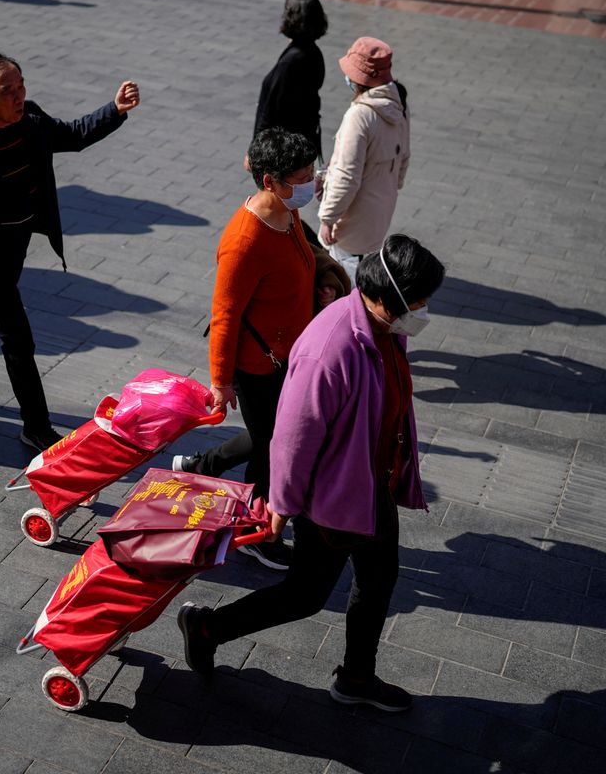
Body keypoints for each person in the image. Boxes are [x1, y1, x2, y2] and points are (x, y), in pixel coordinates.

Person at [177, 233, 445, 713]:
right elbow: (293, 436)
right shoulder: (330, 347)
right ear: (385, 295)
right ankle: (207, 628)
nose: (423, 311)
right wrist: (282, 503)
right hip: (335, 497)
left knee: (374, 578)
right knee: (306, 595)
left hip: (369, 483)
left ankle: (356, 677)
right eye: (418, 301)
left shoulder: (384, 328)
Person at [0, 53, 140, 451]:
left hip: (13, 243)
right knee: (17, 338)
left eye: (21, 86)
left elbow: (71, 135)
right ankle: (36, 426)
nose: (19, 96)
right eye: (7, 91)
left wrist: (114, 110)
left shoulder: (30, 119)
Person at [180, 128, 319, 570]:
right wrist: (220, 381)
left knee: (273, 436)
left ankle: (203, 463)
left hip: (290, 354)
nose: (309, 183)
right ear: (269, 182)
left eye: (311, 172)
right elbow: (224, 316)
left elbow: (304, 256)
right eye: (300, 178)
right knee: (273, 447)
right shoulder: (244, 242)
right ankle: (256, 531)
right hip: (258, 365)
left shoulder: (287, 213)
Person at [318, 37, 410, 281]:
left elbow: (347, 176)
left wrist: (328, 217)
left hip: (352, 218)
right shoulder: (398, 105)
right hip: (381, 207)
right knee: (368, 264)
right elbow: (404, 158)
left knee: (342, 277)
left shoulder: (360, 115)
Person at [248, 0, 328, 166]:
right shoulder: (313, 53)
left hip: (280, 153)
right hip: (299, 146)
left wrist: (255, 152)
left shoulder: (292, 61)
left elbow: (270, 110)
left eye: (287, 11)